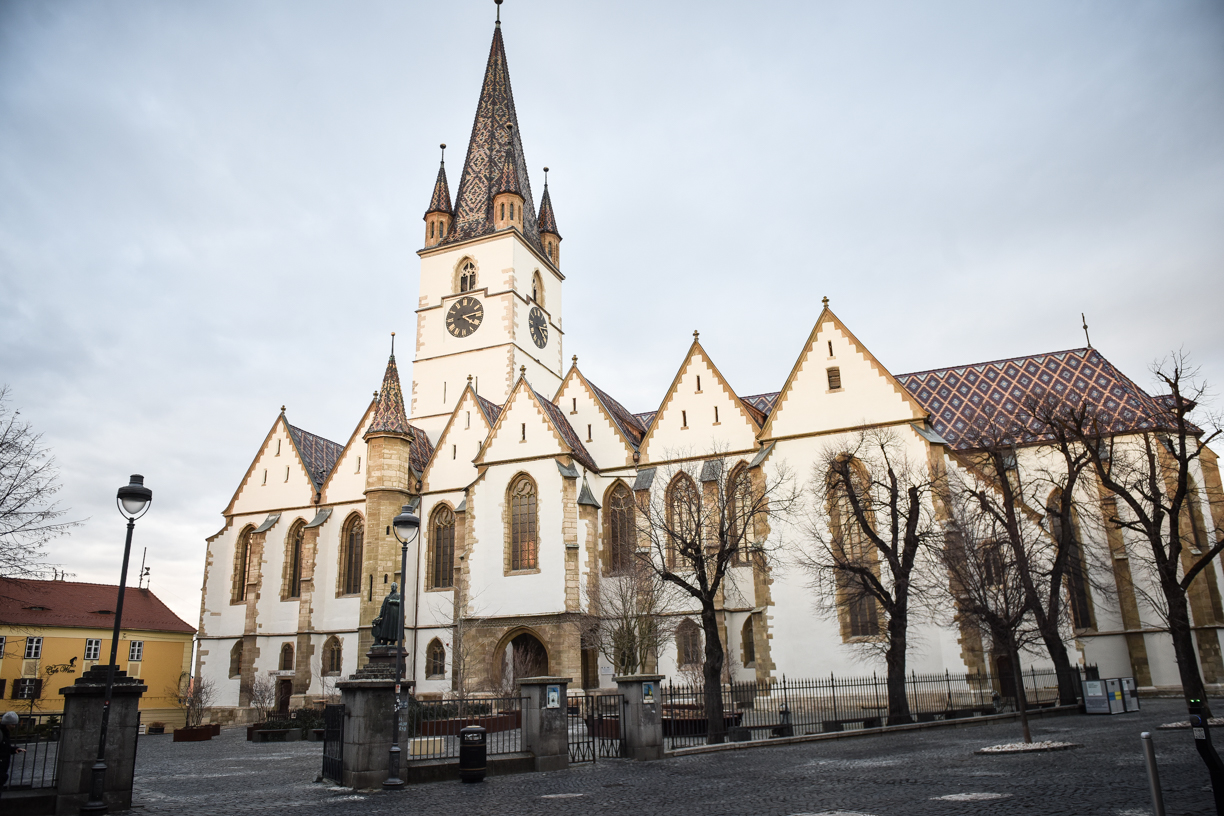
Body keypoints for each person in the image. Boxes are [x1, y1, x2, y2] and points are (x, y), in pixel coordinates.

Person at [1, 711, 27, 799]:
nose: (14, 726)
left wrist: (15, 749)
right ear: (7, 724)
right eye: (13, 724)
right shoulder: (1, 733)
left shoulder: (4, 733)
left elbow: (4, 748)